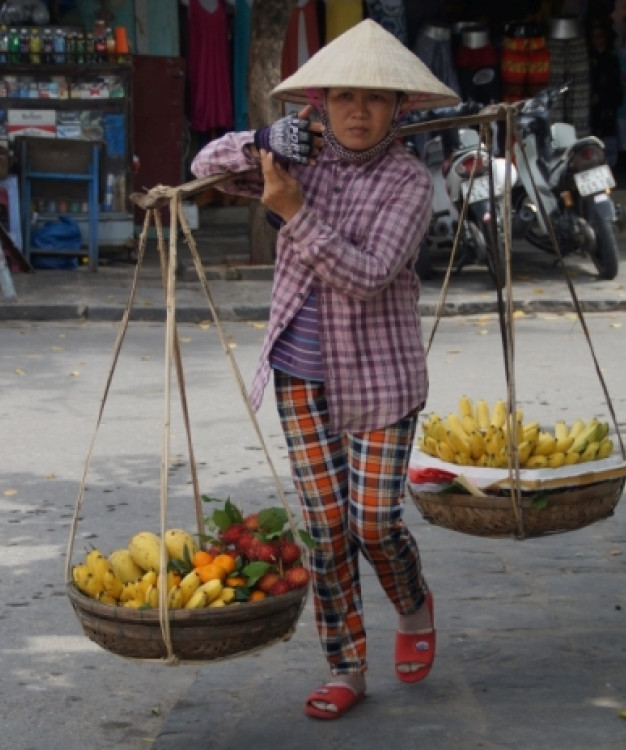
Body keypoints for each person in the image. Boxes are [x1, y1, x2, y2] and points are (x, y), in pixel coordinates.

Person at [190, 19, 459, 720]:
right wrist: (259, 143)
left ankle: (411, 598)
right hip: (299, 378)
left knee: (373, 523)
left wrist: (293, 212)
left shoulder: (407, 182)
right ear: (319, 104)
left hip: (381, 380)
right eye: (344, 96)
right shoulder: (296, 153)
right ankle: (344, 664)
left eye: (375, 98)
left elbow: (369, 277)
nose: (360, 112)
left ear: (398, 107)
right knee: (324, 528)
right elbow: (204, 167)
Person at [588, 21, 622, 168]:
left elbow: (616, 81)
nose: (597, 40)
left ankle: (611, 162)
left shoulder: (612, 58)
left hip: (609, 100)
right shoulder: (589, 59)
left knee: (609, 130)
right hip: (593, 101)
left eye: (600, 37)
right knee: (594, 129)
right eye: (594, 37)